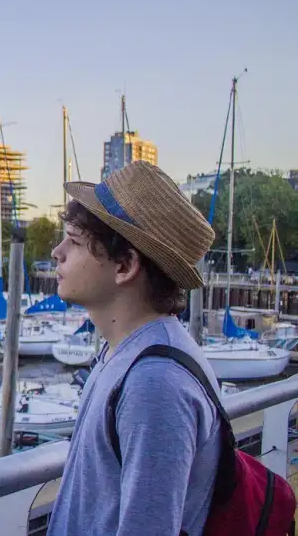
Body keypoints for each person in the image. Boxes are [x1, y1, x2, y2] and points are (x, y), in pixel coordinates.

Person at [46, 160, 219, 536]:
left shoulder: (155, 384)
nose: (57, 252)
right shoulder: (124, 354)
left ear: (125, 265)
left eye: (74, 241)